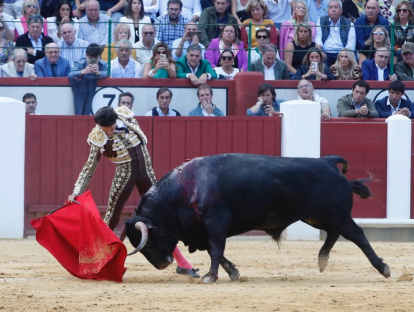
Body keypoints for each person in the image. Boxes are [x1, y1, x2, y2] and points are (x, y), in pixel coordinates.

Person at [67, 106, 200, 278]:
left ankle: (183, 264)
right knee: (111, 218)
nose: (109, 133)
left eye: (112, 129)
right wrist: (77, 190)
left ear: (116, 120)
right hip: (124, 174)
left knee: (163, 217)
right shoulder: (98, 137)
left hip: (146, 172)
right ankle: (98, 263)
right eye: (106, 130)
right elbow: (89, 167)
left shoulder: (126, 116)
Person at [68, 43, 108, 115]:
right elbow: (71, 74)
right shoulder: (80, 63)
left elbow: (107, 73)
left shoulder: (103, 64)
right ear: (86, 56)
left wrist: (99, 73)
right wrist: (83, 71)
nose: (92, 60)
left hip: (94, 92)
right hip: (81, 91)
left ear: (99, 57)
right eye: (90, 58)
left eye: (95, 58)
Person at [315, 0, 356, 66]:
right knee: (317, 58)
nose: (333, 9)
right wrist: (320, 52)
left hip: (342, 53)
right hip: (326, 53)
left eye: (336, 7)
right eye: (331, 7)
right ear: (328, 10)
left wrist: (344, 56)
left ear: (341, 11)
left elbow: (351, 45)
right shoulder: (321, 21)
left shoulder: (349, 23)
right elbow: (318, 39)